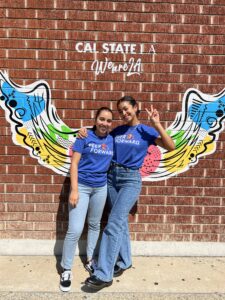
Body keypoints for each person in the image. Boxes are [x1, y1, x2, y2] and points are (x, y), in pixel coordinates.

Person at [83, 96, 175, 290]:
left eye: (126, 109)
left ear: (135, 108)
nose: (124, 113)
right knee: (121, 221)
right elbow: (99, 134)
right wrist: (84, 132)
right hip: (111, 178)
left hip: (131, 180)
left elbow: (171, 146)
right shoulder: (118, 131)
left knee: (113, 223)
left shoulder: (145, 130)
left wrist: (157, 124)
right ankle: (125, 261)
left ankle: (104, 274)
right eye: (120, 111)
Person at [59, 107, 114, 292]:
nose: (105, 123)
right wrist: (74, 189)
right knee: (74, 229)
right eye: (102, 119)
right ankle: (66, 269)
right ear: (96, 119)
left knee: (94, 224)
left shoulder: (112, 140)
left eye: (108, 120)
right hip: (81, 186)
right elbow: (74, 163)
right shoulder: (84, 136)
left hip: (101, 187)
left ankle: (90, 260)